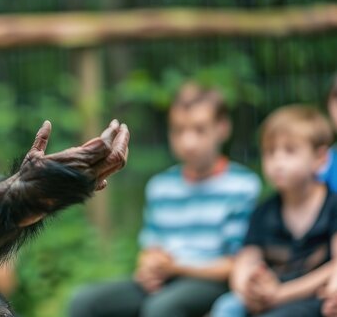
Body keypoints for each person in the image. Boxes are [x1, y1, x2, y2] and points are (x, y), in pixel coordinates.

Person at [69, 82, 261, 317]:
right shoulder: (161, 187)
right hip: (165, 280)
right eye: (179, 130)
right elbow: (151, 247)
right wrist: (149, 266)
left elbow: (236, 262)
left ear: (222, 128)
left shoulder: (242, 185)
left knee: (161, 309)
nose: (188, 142)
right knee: (85, 301)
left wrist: (176, 267)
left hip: (212, 283)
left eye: (199, 129)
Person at [210, 105, 337, 317]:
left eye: (289, 150)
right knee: (227, 307)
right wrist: (248, 287)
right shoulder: (264, 211)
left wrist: (281, 294)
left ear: (320, 158)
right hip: (269, 293)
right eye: (270, 152)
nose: (277, 162)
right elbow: (246, 259)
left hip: (312, 296)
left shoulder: (333, 207)